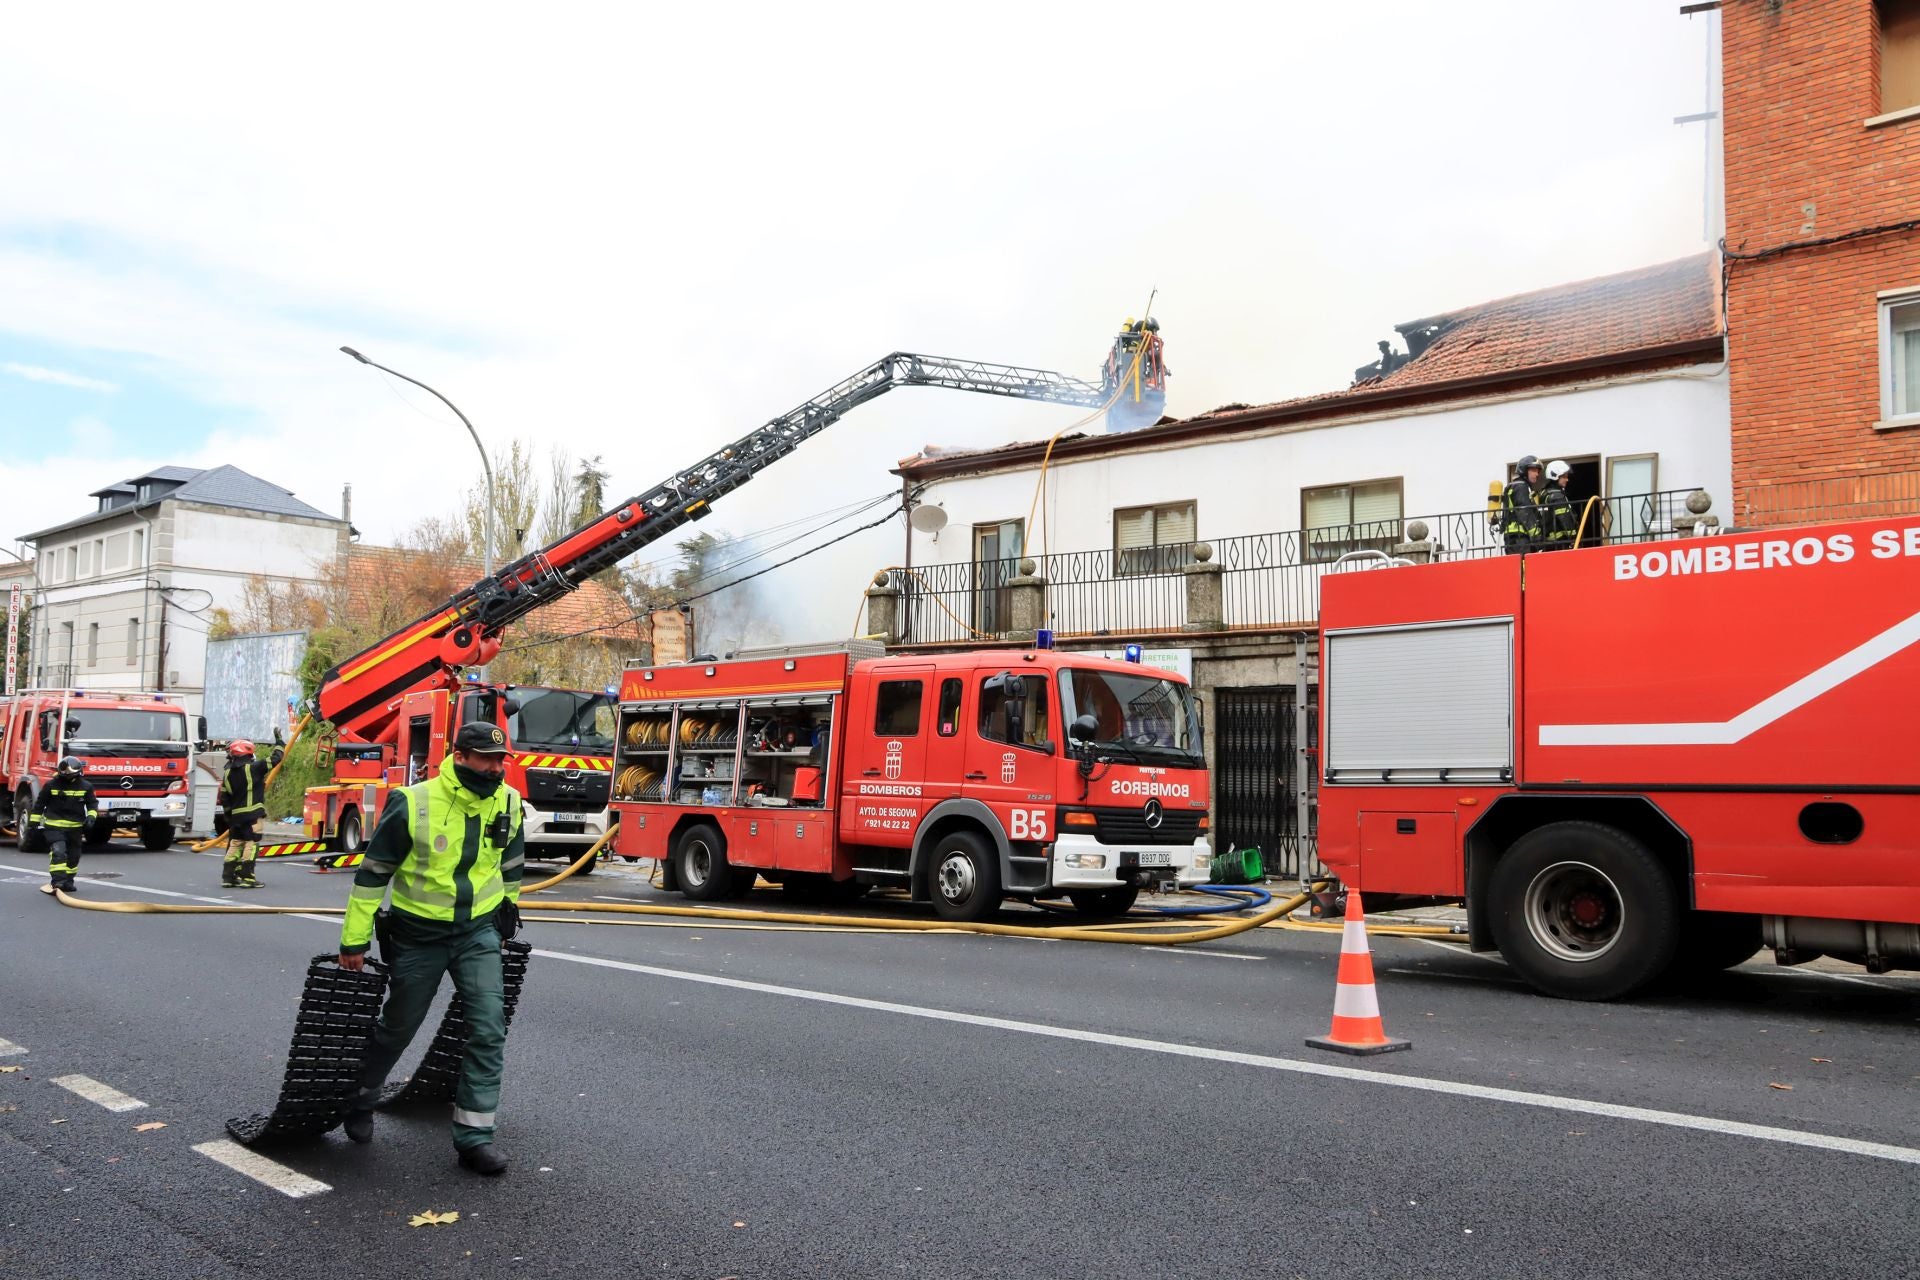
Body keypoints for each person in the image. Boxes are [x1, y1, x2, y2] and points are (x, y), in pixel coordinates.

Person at [337, 722, 526, 1176]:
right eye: (487, 759)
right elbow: (373, 875)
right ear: (460, 757)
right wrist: (354, 939)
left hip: (477, 934)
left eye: (501, 760)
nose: (496, 768)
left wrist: (506, 916)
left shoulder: (510, 802)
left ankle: (475, 1138)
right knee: (398, 1026)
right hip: (418, 934)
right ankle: (361, 1099)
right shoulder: (414, 802)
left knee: (488, 1029)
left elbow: (513, 864)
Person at [219, 739, 284, 889]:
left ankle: (228, 877)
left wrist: (229, 817)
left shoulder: (227, 773)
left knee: (235, 844)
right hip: (253, 815)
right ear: (248, 753)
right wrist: (280, 742)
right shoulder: (254, 768)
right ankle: (247, 878)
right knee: (251, 844)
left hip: (236, 817)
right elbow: (276, 758)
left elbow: (224, 797)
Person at [32, 756, 97, 894]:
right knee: (58, 852)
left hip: (75, 828)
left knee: (74, 856)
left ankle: (68, 881)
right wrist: (34, 821)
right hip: (54, 826)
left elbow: (92, 804)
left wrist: (91, 817)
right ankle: (58, 881)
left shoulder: (86, 786)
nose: (67, 777)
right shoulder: (51, 785)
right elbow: (40, 803)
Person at [1499, 455, 1548, 554]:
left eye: (1538, 471)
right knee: (1524, 567)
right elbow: (1525, 512)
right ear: (1524, 470)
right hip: (1520, 538)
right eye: (1533, 470)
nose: (1537, 474)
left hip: (1515, 537)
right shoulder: (1521, 487)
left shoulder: (1515, 486)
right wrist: (1537, 537)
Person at [1542, 460, 1578, 550]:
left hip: (1549, 542)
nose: (1567, 479)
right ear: (1555, 476)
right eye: (1564, 476)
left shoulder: (1544, 493)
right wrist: (1573, 538)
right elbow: (1565, 519)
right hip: (1560, 543)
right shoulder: (1557, 496)